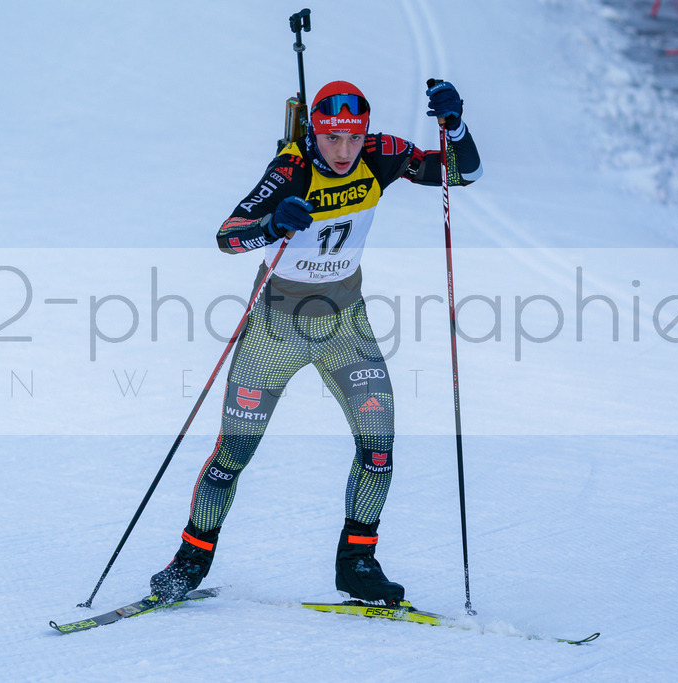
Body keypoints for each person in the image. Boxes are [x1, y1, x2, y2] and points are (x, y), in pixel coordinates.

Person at [150, 79, 482, 605]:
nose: (345, 151)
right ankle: (191, 560)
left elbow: (461, 175)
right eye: (332, 139)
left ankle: (357, 563)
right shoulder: (292, 168)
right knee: (232, 454)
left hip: (345, 326)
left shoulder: (384, 154)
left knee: (379, 447)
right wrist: (272, 224)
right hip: (276, 329)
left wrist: (455, 127)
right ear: (315, 132)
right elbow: (227, 234)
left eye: (353, 138)